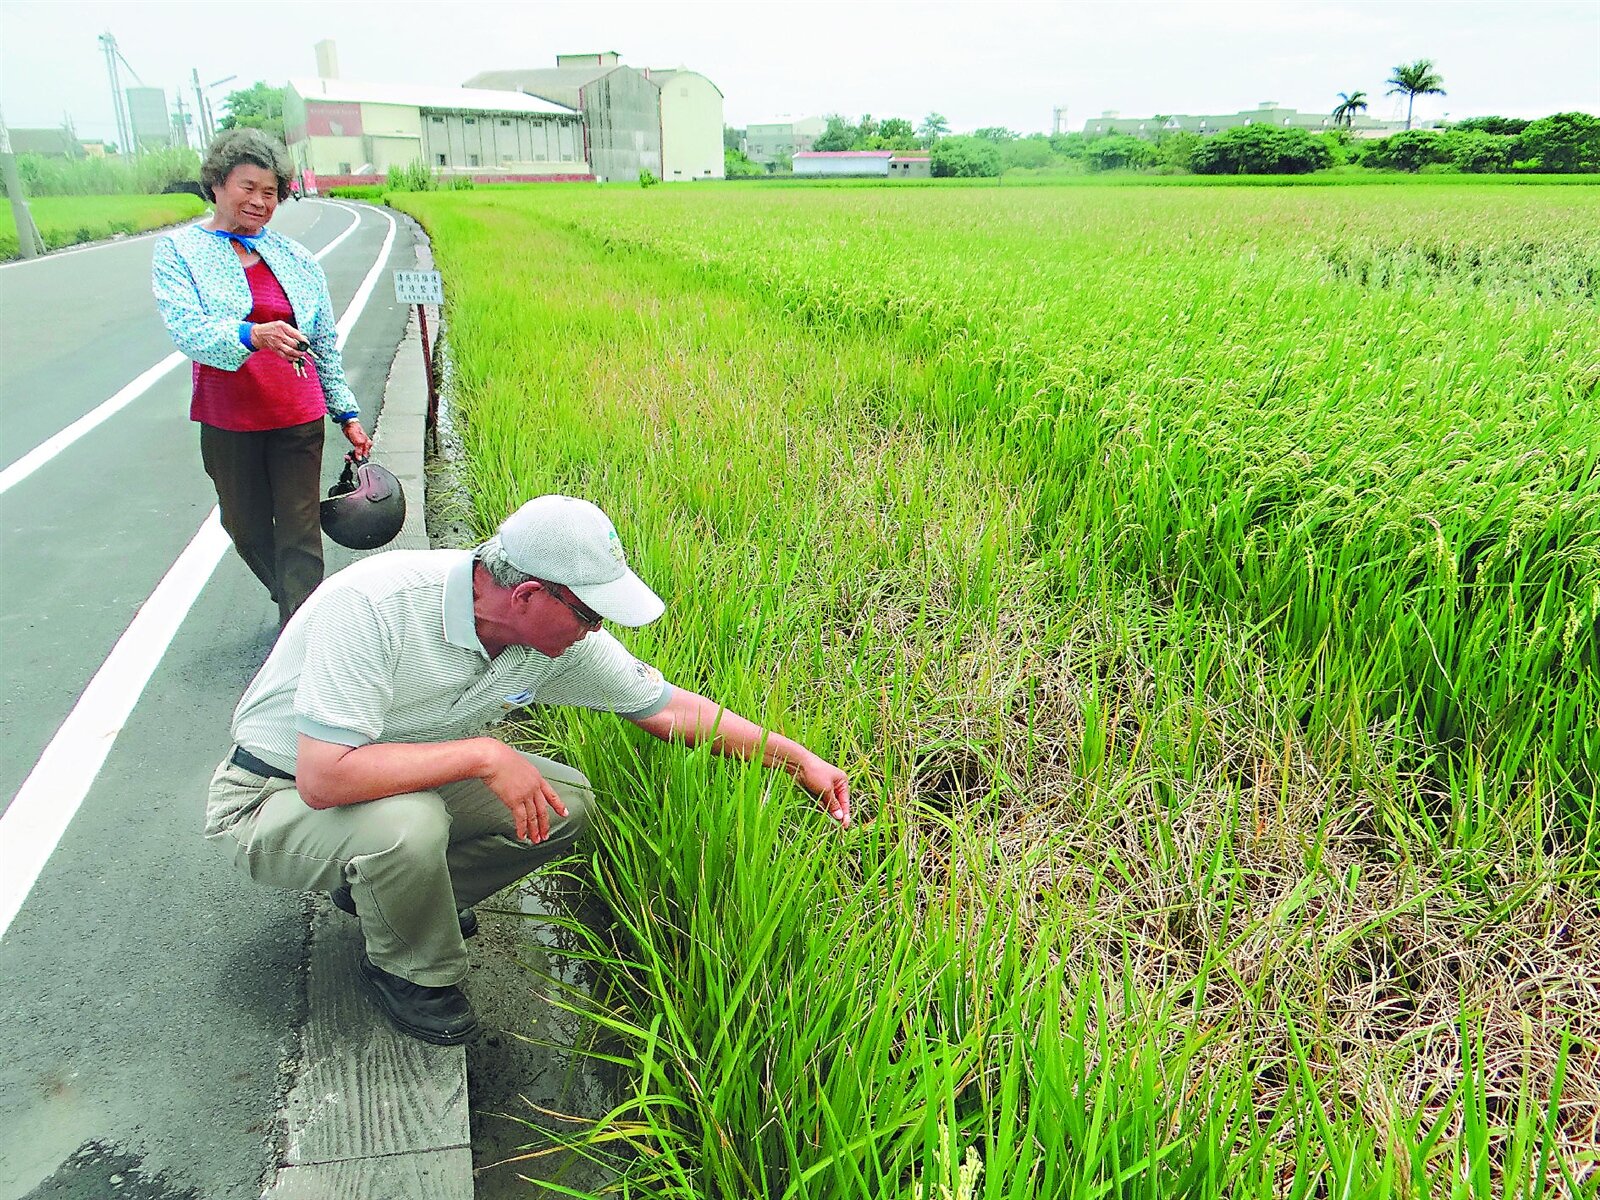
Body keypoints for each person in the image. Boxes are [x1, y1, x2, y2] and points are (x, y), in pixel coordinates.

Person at [204, 495, 851, 1044]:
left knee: (565, 801)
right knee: (413, 822)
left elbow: (669, 708)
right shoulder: (378, 603)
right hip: (272, 797)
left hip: (377, 785)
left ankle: (396, 897)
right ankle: (409, 968)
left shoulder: (552, 641)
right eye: (588, 613)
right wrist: (484, 753)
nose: (595, 630)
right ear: (530, 593)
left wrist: (798, 761)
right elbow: (324, 778)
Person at [153, 128, 373, 628]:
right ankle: (303, 606)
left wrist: (347, 412)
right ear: (217, 185)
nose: (259, 201)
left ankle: (306, 630)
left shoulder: (296, 259)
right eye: (247, 187)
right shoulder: (180, 252)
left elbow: (322, 343)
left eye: (270, 192)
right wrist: (253, 335)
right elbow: (187, 329)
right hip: (227, 415)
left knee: (299, 529)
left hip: (296, 412)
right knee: (245, 525)